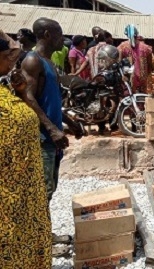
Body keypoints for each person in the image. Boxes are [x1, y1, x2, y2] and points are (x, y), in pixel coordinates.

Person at [0, 29, 52, 268]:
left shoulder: (8, 89)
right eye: (7, 56)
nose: (12, 61)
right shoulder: (32, 61)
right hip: (8, 197)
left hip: (24, 191)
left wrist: (21, 93)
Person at [18, 18, 71, 252]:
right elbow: (27, 98)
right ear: (48, 34)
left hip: (53, 139)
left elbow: (50, 100)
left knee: (48, 190)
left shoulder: (49, 63)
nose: (63, 38)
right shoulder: (33, 60)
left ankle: (44, 236)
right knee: (41, 193)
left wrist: (69, 122)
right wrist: (50, 128)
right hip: (42, 140)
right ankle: (37, 245)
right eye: (59, 34)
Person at [118, 24, 154, 94]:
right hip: (143, 79)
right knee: (143, 97)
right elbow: (151, 64)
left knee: (129, 98)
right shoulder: (146, 48)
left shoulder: (122, 47)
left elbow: (119, 62)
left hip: (128, 78)